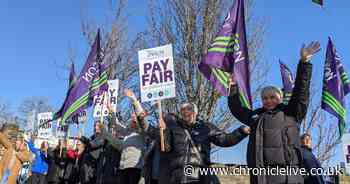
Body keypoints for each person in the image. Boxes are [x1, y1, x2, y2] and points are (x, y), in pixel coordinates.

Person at [228, 41, 320, 184]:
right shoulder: (256, 117)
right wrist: (233, 87)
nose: (268, 100)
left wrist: (304, 62)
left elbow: (301, 92)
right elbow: (237, 110)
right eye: (265, 98)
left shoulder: (291, 113)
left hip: (290, 178)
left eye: (272, 97)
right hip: (261, 177)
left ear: (280, 98)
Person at [125, 89, 250, 184]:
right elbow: (149, 130)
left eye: (188, 109)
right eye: (182, 110)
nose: (185, 111)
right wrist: (136, 104)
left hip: (200, 178)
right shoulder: (173, 129)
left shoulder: (207, 127)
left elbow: (225, 140)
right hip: (178, 178)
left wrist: (242, 131)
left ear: (195, 112)